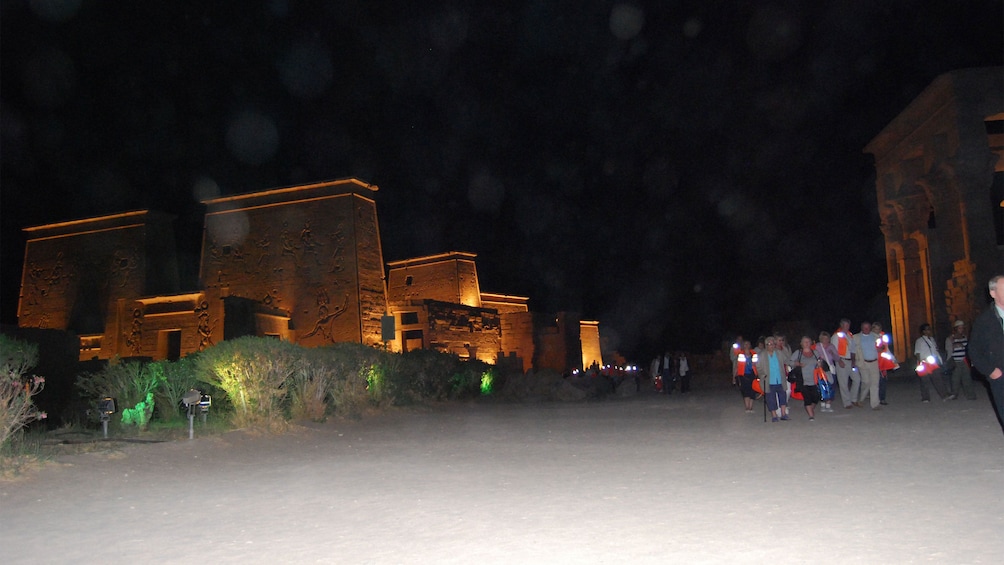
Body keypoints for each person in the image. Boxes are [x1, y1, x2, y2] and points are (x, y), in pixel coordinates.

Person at [968, 275, 1004, 430]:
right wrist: (991, 371)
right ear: (993, 293)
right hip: (1001, 376)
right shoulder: (984, 321)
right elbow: (974, 350)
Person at [914, 322, 951, 402]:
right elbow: (917, 352)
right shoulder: (919, 341)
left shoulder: (932, 339)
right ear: (923, 331)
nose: (929, 331)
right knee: (925, 380)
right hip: (924, 362)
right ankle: (925, 397)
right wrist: (920, 362)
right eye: (927, 330)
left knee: (938, 379)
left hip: (933, 362)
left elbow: (935, 350)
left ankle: (944, 395)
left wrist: (939, 360)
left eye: (929, 329)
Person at [757, 336, 790, 422]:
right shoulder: (761, 355)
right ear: (766, 345)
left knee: (783, 396)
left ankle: (783, 414)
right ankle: (774, 415)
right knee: (770, 398)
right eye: (769, 344)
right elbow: (758, 367)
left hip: (780, 378)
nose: (771, 346)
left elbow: (787, 360)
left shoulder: (779, 353)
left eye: (772, 344)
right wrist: (762, 375)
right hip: (769, 380)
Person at [791, 336, 822, 420]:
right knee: (807, 397)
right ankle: (811, 416)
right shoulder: (798, 353)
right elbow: (789, 361)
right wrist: (797, 363)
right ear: (801, 344)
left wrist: (820, 364)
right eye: (805, 342)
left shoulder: (815, 352)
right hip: (803, 379)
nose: (807, 343)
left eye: (808, 341)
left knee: (816, 397)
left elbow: (820, 361)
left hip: (815, 379)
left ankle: (810, 409)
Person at [944, 319, 977, 400]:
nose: (961, 330)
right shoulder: (950, 338)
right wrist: (954, 345)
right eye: (959, 328)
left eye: (962, 328)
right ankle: (954, 394)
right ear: (955, 329)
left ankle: (970, 395)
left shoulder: (964, 337)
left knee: (967, 378)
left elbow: (967, 348)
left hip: (964, 360)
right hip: (956, 361)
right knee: (955, 379)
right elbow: (948, 349)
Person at [853, 321, 881, 410]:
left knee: (875, 383)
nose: (866, 329)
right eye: (864, 327)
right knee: (866, 382)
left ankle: (875, 404)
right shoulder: (856, 337)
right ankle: (861, 399)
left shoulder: (876, 336)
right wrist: (853, 362)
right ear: (861, 328)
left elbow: (883, 347)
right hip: (863, 362)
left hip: (874, 362)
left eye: (868, 327)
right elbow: (852, 351)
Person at [832, 319, 859, 409]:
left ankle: (853, 398)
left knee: (857, 379)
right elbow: (833, 350)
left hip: (850, 361)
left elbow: (853, 349)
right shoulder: (836, 335)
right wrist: (839, 361)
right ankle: (847, 402)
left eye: (848, 325)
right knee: (843, 383)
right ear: (841, 325)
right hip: (842, 361)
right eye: (845, 325)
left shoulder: (850, 335)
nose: (847, 327)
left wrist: (854, 361)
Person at [873, 322, 897, 405]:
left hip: (883, 362)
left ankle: (882, 398)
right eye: (876, 328)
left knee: (883, 380)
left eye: (879, 328)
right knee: (874, 382)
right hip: (874, 361)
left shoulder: (883, 337)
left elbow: (887, 349)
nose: (878, 330)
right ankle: (875, 397)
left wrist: (893, 360)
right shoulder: (870, 337)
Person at [814, 331, 838, 412]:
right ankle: (823, 404)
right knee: (822, 386)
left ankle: (828, 404)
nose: (826, 340)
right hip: (821, 369)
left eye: (827, 338)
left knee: (831, 386)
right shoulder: (817, 346)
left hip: (830, 368)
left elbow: (837, 358)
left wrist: (833, 354)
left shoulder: (832, 346)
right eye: (824, 338)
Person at [733, 340, 759, 413]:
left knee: (753, 390)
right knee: (745, 391)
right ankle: (747, 407)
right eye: (745, 344)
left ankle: (751, 407)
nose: (746, 345)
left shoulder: (754, 354)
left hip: (753, 374)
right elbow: (737, 366)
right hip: (743, 375)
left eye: (748, 344)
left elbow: (758, 365)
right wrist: (734, 377)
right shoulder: (740, 354)